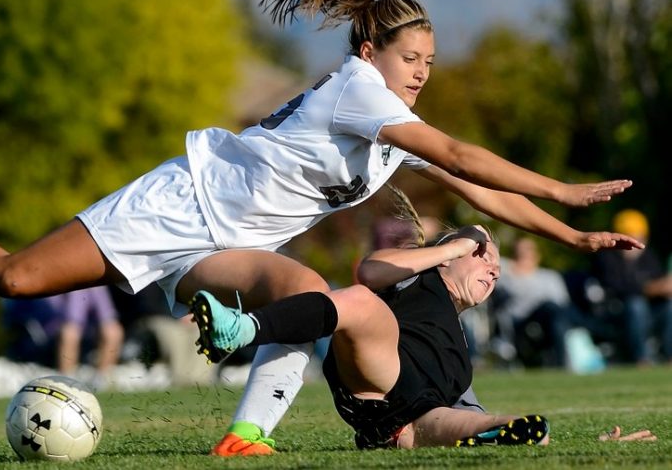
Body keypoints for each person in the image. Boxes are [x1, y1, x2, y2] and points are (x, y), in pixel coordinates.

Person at [0, 0, 639, 452]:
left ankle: (248, 439)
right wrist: (561, 187)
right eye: (409, 57)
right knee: (15, 276)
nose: (421, 71)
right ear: (368, 53)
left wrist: (571, 231)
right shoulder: (360, 93)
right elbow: (460, 158)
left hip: (236, 244)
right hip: (177, 205)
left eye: (428, 60)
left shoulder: (393, 123)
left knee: (300, 290)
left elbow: (477, 190)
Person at [190, 225, 655, 449]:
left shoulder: (460, 349)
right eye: (481, 254)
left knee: (518, 425)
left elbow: (470, 406)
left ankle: (411, 438)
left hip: (420, 412)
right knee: (361, 301)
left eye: (496, 263)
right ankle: (244, 328)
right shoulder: (418, 279)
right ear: (447, 256)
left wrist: (597, 446)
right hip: (381, 368)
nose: (493, 266)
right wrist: (451, 246)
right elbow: (369, 270)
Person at [495, 237, 605, 369]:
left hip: (552, 317)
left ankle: (562, 362)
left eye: (530, 250)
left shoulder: (549, 276)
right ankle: (595, 330)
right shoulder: (506, 275)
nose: (526, 254)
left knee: (556, 315)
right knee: (552, 308)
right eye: (522, 250)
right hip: (522, 320)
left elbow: (562, 303)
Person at [592, 209, 672, 365]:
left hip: (649, 310)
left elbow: (658, 282)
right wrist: (646, 289)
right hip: (617, 312)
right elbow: (613, 287)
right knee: (636, 305)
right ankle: (641, 359)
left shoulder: (649, 257)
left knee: (669, 307)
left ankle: (670, 357)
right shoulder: (606, 257)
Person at [3, 286, 124, 387]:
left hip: (84, 338)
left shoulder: (95, 287)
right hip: (45, 341)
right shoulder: (44, 283)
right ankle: (66, 383)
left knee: (113, 330)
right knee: (69, 332)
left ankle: (100, 381)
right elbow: (70, 318)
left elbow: (107, 317)